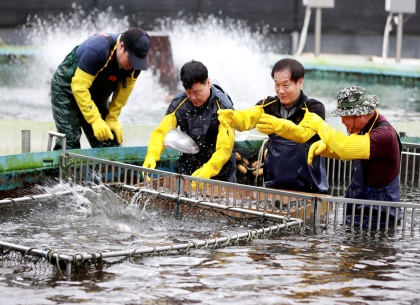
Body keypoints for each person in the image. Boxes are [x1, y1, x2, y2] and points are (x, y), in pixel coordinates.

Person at [218, 58, 328, 193]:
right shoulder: (268, 105)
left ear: (300, 82)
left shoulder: (314, 108)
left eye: (286, 85)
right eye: (277, 85)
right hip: (274, 186)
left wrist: (278, 125)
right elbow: (248, 118)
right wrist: (233, 118)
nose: (280, 91)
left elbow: (304, 133)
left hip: (310, 187)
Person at [300, 85, 402, 226]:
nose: (342, 122)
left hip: (380, 219)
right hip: (359, 210)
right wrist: (326, 148)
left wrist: (320, 126)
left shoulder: (384, 135)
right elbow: (347, 147)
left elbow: (345, 148)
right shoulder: (364, 127)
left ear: (359, 114)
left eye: (344, 117)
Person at [50, 27, 151, 150]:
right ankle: (57, 169)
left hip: (94, 95)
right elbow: (79, 87)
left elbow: (124, 91)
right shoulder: (98, 49)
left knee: (109, 142)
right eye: (131, 60)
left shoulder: (135, 65)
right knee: (69, 143)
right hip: (67, 91)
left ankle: (102, 170)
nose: (133, 66)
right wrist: (94, 119)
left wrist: (112, 117)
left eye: (138, 62)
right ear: (121, 46)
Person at [142, 60, 237, 184]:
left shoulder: (223, 107)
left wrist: (208, 170)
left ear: (208, 83)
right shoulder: (179, 103)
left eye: (197, 92)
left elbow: (225, 147)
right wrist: (152, 155)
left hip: (220, 173)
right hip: (188, 167)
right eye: (188, 92)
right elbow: (161, 132)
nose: (192, 98)